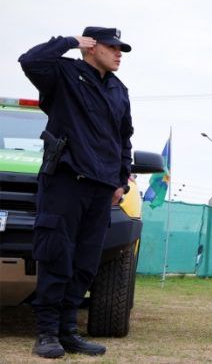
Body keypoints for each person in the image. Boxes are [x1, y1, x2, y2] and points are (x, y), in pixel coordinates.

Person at [18, 27, 134, 359]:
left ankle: (69, 331)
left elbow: (123, 137)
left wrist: (122, 179)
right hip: (67, 182)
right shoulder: (64, 74)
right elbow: (30, 60)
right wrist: (69, 42)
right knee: (57, 257)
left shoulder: (118, 90)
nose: (119, 53)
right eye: (112, 47)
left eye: (120, 48)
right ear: (91, 47)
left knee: (85, 262)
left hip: (102, 189)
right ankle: (47, 333)